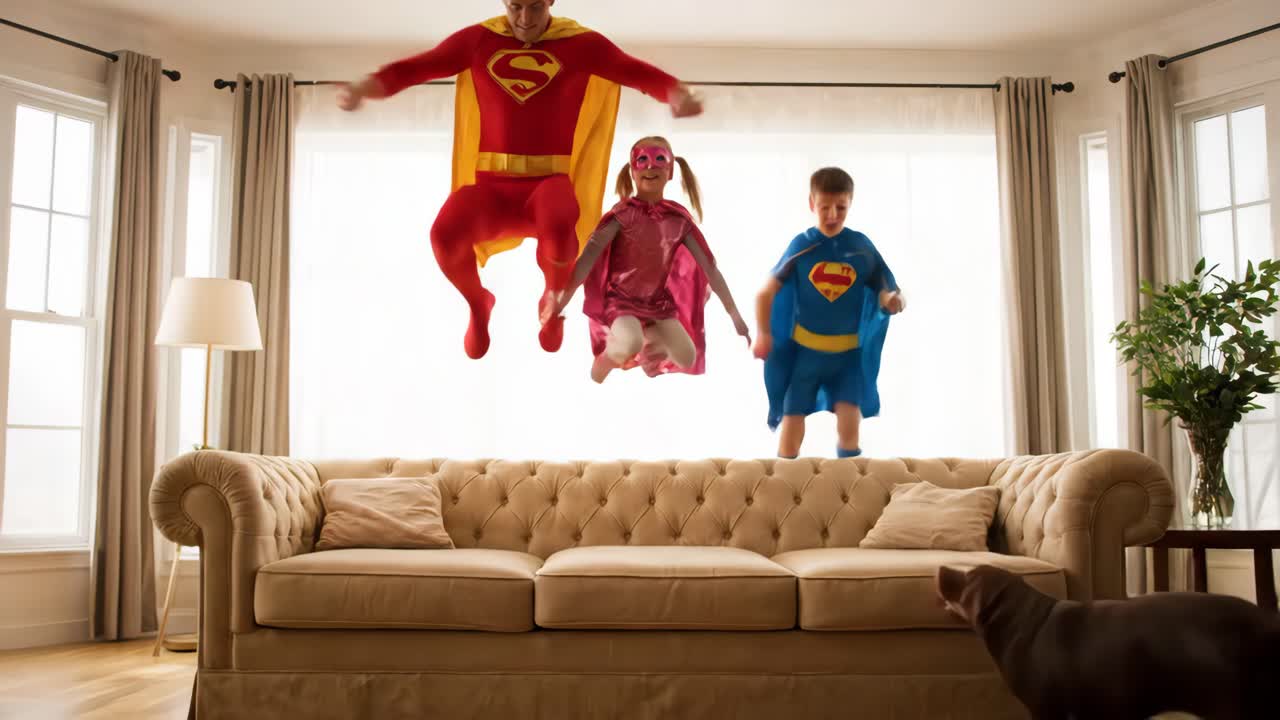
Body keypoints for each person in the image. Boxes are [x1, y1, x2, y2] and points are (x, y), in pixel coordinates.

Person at [338, 0, 704, 358]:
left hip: (546, 186)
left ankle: (553, 298)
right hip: (491, 190)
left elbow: (634, 71)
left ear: (551, 2)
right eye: (515, 7)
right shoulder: (479, 40)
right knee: (444, 234)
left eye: (535, 7)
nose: (525, 19)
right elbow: (418, 68)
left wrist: (676, 93)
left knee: (562, 218)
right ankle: (478, 303)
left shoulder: (580, 44)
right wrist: (362, 88)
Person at [551, 137, 750, 383]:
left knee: (687, 356)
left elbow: (710, 268)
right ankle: (604, 362)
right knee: (630, 341)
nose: (650, 167)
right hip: (620, 300)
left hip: (657, 304)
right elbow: (588, 259)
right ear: (633, 171)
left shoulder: (678, 220)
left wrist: (735, 315)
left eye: (659, 160)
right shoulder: (622, 215)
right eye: (642, 160)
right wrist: (561, 300)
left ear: (671, 171)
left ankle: (649, 340)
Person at [753, 167, 905, 458]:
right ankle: (783, 489)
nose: (833, 214)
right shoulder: (803, 244)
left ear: (850, 203)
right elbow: (765, 292)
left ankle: (848, 493)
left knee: (850, 426)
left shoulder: (860, 246)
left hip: (846, 357)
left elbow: (885, 286)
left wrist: (892, 300)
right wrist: (763, 334)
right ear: (812, 204)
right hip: (806, 355)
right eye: (825, 207)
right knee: (792, 421)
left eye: (841, 207)